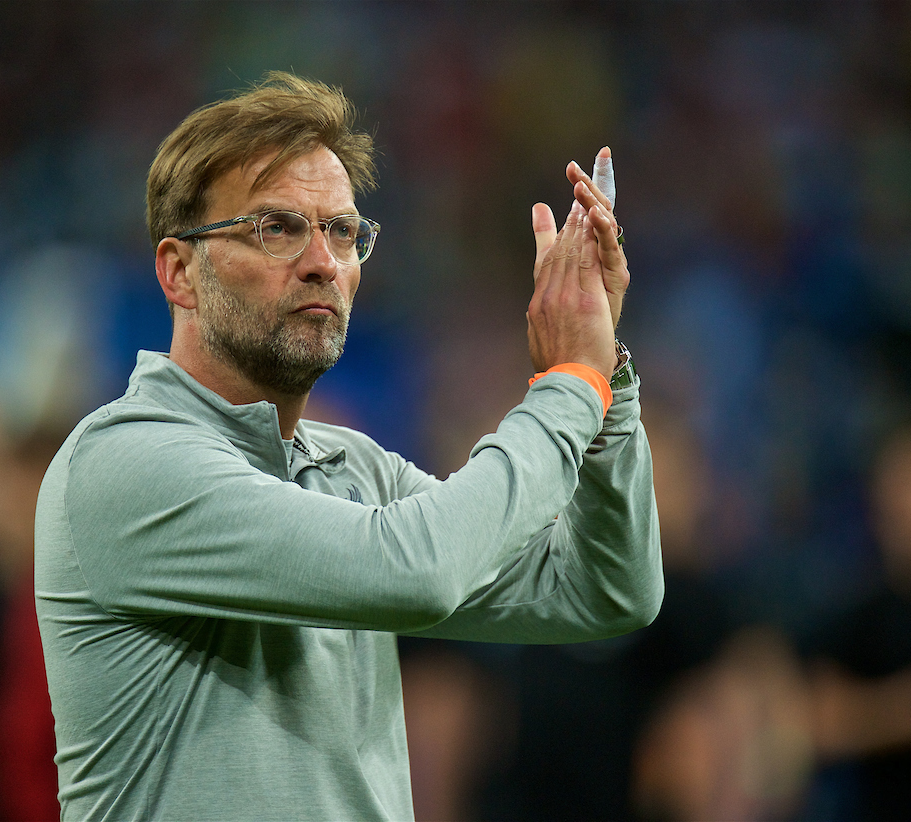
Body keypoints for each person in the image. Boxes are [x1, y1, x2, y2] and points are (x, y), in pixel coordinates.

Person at [35, 72, 663, 821]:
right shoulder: (127, 461)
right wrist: (569, 383)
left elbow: (605, 590)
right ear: (180, 272)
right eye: (277, 228)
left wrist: (608, 384)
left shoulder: (351, 467)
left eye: (341, 231)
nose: (323, 262)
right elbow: (418, 569)